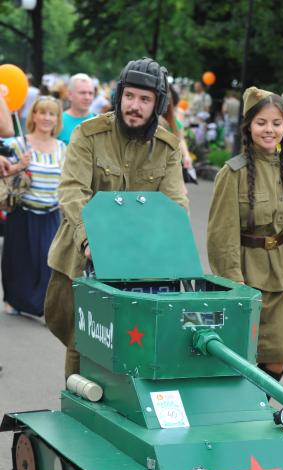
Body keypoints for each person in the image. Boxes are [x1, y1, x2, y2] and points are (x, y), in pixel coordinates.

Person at [45, 57, 189, 378]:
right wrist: (92, 239)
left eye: (145, 99)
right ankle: (76, 409)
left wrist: (171, 246)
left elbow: (175, 205)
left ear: (158, 104)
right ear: (118, 96)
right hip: (82, 259)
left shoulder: (167, 147)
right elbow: (72, 191)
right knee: (81, 343)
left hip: (142, 267)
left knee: (134, 349)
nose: (134, 106)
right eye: (129, 96)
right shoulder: (88, 135)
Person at [208, 87, 283, 385]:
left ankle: (256, 406)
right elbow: (221, 235)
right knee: (241, 356)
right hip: (245, 276)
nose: (270, 129)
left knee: (278, 357)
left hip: (281, 274)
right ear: (248, 126)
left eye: (277, 123)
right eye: (262, 123)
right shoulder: (233, 173)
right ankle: (240, 418)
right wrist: (234, 282)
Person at [2, 96, 65, 317]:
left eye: (52, 114)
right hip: (23, 211)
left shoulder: (62, 148)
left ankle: (43, 306)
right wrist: (20, 165)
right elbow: (3, 168)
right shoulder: (19, 143)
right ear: (34, 115)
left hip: (51, 213)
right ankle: (14, 301)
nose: (47, 118)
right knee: (19, 259)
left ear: (57, 119)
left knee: (47, 261)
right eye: (42, 112)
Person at [58, 73, 95, 144]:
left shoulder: (99, 121)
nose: (87, 97)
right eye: (82, 93)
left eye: (91, 93)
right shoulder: (57, 121)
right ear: (70, 95)